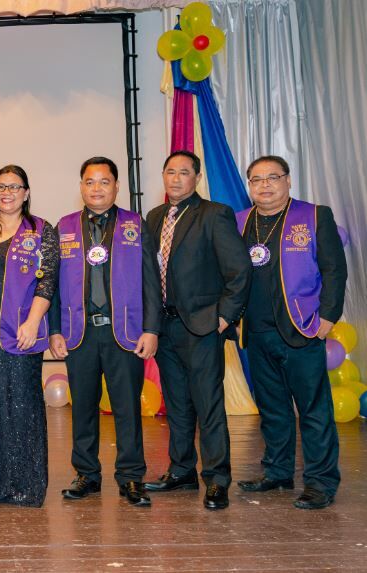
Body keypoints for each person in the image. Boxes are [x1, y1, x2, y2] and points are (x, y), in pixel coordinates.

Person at [235, 155, 347, 510]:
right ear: (249, 185)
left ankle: (320, 482)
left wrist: (327, 316)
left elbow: (334, 270)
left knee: (313, 410)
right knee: (273, 409)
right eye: (256, 179)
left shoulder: (315, 215)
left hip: (303, 328)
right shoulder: (238, 222)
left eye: (273, 177)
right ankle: (278, 472)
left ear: (288, 180)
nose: (265, 185)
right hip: (256, 331)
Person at [48, 157, 161, 507]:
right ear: (80, 186)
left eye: (104, 181)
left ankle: (130, 477)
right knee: (82, 406)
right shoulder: (64, 227)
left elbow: (151, 282)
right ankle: (87, 475)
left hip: (123, 332)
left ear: (116, 186)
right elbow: (48, 284)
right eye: (90, 182)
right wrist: (53, 330)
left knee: (127, 407)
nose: (96, 188)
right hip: (78, 332)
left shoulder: (134, 224)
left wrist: (152, 329)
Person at [144, 150, 251, 510]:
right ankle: (181, 470)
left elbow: (239, 271)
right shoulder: (155, 217)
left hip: (202, 326)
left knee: (208, 405)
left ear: (197, 178)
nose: (176, 179)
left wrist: (224, 317)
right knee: (176, 405)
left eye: (184, 172)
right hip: (165, 326)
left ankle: (217, 478)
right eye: (170, 171)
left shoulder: (215, 214)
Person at [0, 164, 58, 507]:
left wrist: (33, 322)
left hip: (20, 330)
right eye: (1, 187)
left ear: (27, 193)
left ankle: (23, 482)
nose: (7, 193)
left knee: (20, 404)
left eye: (15, 187)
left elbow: (47, 281)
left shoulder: (42, 230)